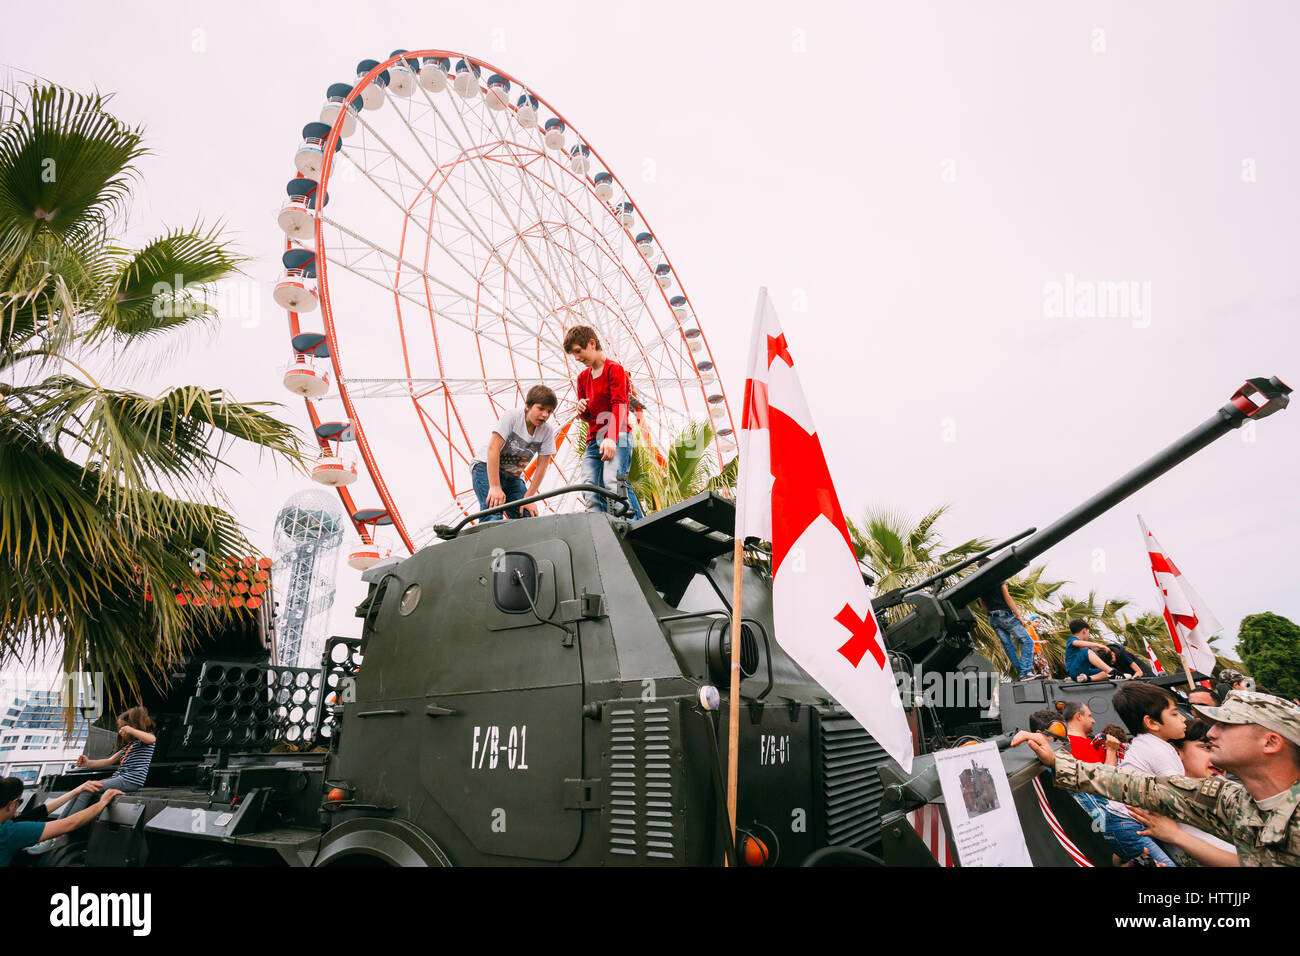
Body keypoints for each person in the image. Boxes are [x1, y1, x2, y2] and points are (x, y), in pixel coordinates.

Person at [1011, 688, 1300, 866]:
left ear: (1271, 743)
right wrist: (1056, 761)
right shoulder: (1230, 800)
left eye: (1226, 725)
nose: (1211, 733)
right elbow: (1140, 787)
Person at [33, 706, 157, 854]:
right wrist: (87, 763)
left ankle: (63, 833)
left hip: (130, 780)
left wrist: (130, 730)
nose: (121, 731)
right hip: (120, 778)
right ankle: (55, 829)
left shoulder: (145, 742)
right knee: (81, 791)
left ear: (134, 725)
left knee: (87, 789)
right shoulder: (128, 746)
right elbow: (108, 761)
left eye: (123, 728)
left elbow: (152, 738)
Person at [564, 325, 643, 519]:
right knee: (590, 488)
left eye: (578, 351)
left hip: (619, 435)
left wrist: (611, 437)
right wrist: (582, 409)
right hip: (594, 440)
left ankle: (638, 526)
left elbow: (620, 405)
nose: (577, 358)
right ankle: (601, 527)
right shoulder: (583, 378)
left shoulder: (614, 370)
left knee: (614, 483)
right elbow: (587, 417)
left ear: (592, 343)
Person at [469, 385, 559, 521]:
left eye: (549, 412)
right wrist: (494, 486)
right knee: (493, 512)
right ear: (527, 406)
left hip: (513, 477)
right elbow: (493, 448)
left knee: (527, 516)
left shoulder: (546, 431)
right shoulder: (512, 416)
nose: (545, 415)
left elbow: (542, 466)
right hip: (486, 467)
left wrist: (529, 498)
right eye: (541, 409)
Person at [0, 777, 123, 866]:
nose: (17, 810)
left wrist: (76, 791)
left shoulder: (7, 827)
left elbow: (37, 813)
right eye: (19, 803)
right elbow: (70, 824)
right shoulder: (9, 833)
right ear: (11, 804)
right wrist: (103, 802)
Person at [973, 562, 1036, 680]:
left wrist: (990, 616)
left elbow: (982, 604)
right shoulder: (998, 578)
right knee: (1028, 642)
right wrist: (1019, 616)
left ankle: (1022, 673)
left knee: (1009, 647)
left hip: (993, 618)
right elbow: (1008, 597)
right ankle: (1025, 672)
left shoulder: (979, 583)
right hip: (1006, 616)